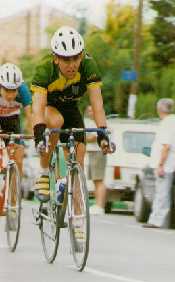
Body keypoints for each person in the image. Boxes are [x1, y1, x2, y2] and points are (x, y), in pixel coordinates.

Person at [31, 26, 111, 202]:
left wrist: (103, 134)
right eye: (66, 59)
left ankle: (77, 218)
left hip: (71, 107)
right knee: (55, 121)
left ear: (81, 55)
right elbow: (37, 108)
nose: (72, 64)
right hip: (48, 107)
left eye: (76, 57)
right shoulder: (45, 69)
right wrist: (39, 135)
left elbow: (97, 104)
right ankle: (44, 172)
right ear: (55, 59)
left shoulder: (88, 66)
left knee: (79, 160)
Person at [0, 63, 32, 216]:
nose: (11, 95)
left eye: (14, 91)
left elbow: (30, 115)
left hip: (13, 123)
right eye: (7, 90)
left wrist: (34, 132)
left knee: (18, 159)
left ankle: (13, 199)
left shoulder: (23, 91)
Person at [143, 98, 175, 229]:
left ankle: (157, 220)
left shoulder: (167, 123)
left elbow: (166, 146)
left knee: (162, 193)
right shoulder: (171, 121)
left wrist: (161, 164)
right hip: (168, 163)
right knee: (162, 192)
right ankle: (157, 219)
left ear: (160, 109)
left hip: (166, 164)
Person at [84, 105, 107, 215]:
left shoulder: (100, 122)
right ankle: (98, 205)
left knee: (99, 180)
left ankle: (100, 206)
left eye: (91, 110)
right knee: (95, 180)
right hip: (93, 153)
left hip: (98, 153)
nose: (89, 112)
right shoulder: (90, 122)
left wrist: (82, 138)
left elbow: (93, 137)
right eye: (88, 111)